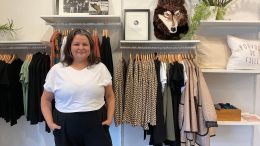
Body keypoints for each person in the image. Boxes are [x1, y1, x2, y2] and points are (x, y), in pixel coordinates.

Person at [41, 28, 115, 146]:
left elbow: (110, 97)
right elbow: (45, 100)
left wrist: (110, 118)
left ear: (90, 47)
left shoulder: (101, 68)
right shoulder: (56, 70)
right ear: (69, 46)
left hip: (96, 123)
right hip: (65, 126)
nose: (81, 47)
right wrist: (49, 122)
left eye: (85, 44)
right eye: (76, 44)